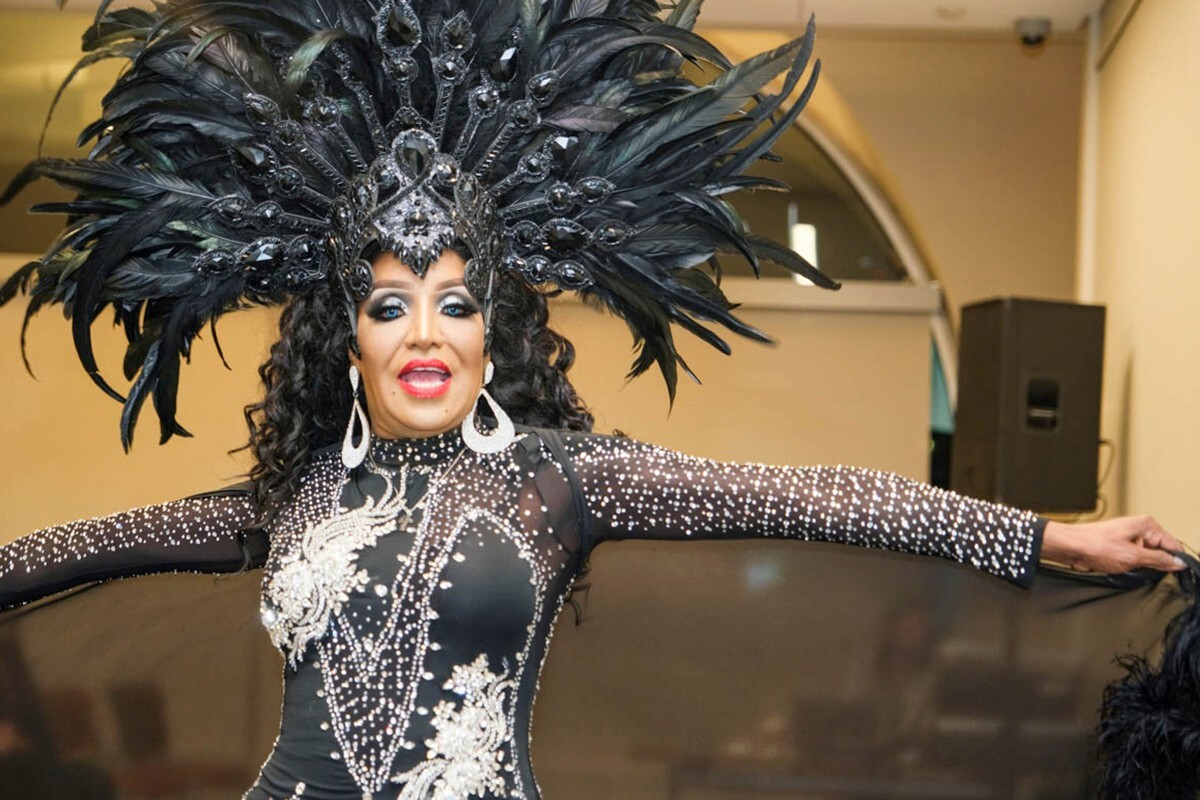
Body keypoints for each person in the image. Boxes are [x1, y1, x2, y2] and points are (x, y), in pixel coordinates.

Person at [0, 1, 1190, 798]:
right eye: (390, 304)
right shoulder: (294, 494)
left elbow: (817, 497)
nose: (425, 332)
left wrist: (1046, 532)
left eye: (456, 303)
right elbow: (92, 545)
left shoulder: (560, 476)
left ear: (492, 329)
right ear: (343, 337)